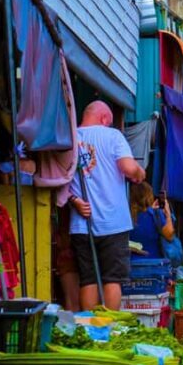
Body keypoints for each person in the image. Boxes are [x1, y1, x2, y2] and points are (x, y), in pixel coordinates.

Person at [67, 101, 145, 310]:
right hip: (113, 222)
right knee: (112, 279)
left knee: (88, 279)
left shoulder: (70, 138)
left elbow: (59, 177)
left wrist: (73, 200)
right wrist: (139, 172)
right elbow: (128, 168)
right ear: (104, 119)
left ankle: (88, 326)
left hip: (82, 224)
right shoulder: (113, 136)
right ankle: (109, 327)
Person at [130, 182, 176, 259]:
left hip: (131, 263)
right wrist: (168, 214)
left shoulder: (127, 216)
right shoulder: (155, 214)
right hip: (153, 263)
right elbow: (170, 236)